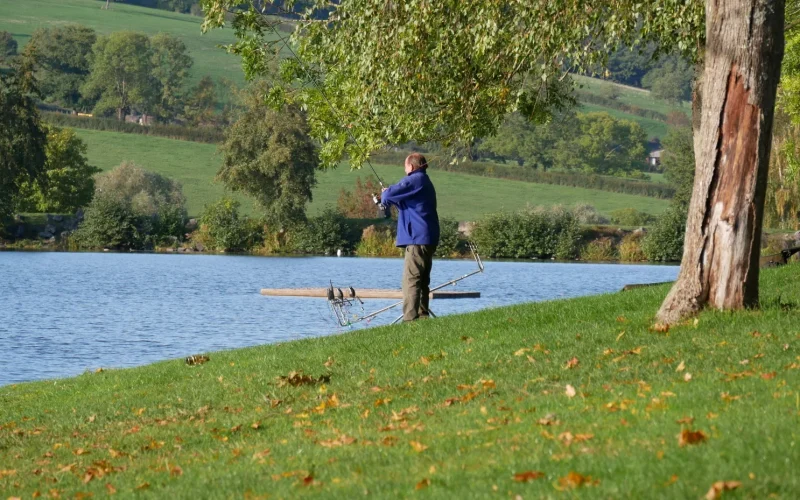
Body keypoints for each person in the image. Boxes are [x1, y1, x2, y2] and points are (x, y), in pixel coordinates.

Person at [381, 153, 440, 321]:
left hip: (417, 238)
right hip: (427, 237)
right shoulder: (424, 182)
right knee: (422, 281)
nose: (404, 169)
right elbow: (410, 205)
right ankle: (422, 316)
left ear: (412, 167)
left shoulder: (414, 180)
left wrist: (386, 192)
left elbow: (387, 196)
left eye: (405, 166)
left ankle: (409, 319)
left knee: (411, 280)